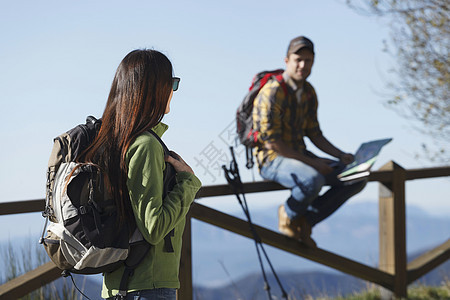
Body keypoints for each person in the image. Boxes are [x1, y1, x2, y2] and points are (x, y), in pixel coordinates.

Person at [79, 49, 201, 300]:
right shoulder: (145, 145)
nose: (173, 91)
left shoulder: (114, 141)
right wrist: (188, 182)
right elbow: (153, 227)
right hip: (147, 287)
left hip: (120, 284)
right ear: (156, 89)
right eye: (172, 83)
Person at [253, 36, 366, 248]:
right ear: (287, 61)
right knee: (313, 179)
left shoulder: (308, 92)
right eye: (298, 59)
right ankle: (287, 212)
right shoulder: (273, 91)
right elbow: (272, 143)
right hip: (271, 159)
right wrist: (314, 164)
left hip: (300, 156)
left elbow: (315, 134)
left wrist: (341, 155)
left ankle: (305, 222)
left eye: (309, 60)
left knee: (356, 176)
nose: (303, 65)